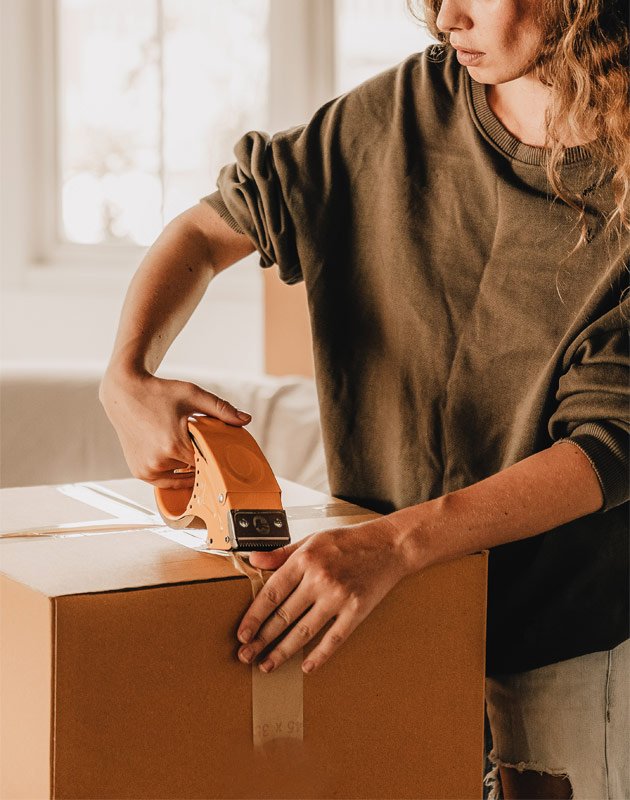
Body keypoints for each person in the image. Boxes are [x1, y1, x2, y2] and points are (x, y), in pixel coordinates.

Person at [99, 0, 629, 796]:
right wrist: (127, 373)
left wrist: (393, 546)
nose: (445, 17)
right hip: (381, 619)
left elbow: (603, 448)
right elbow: (212, 230)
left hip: (555, 643)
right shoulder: (396, 114)